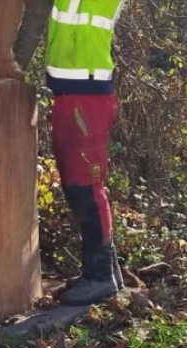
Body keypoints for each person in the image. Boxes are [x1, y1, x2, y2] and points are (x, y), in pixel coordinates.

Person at [46, 0, 127, 305]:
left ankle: (100, 276)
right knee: (75, 185)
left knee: (86, 187)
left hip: (89, 95)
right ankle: (105, 270)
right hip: (69, 93)